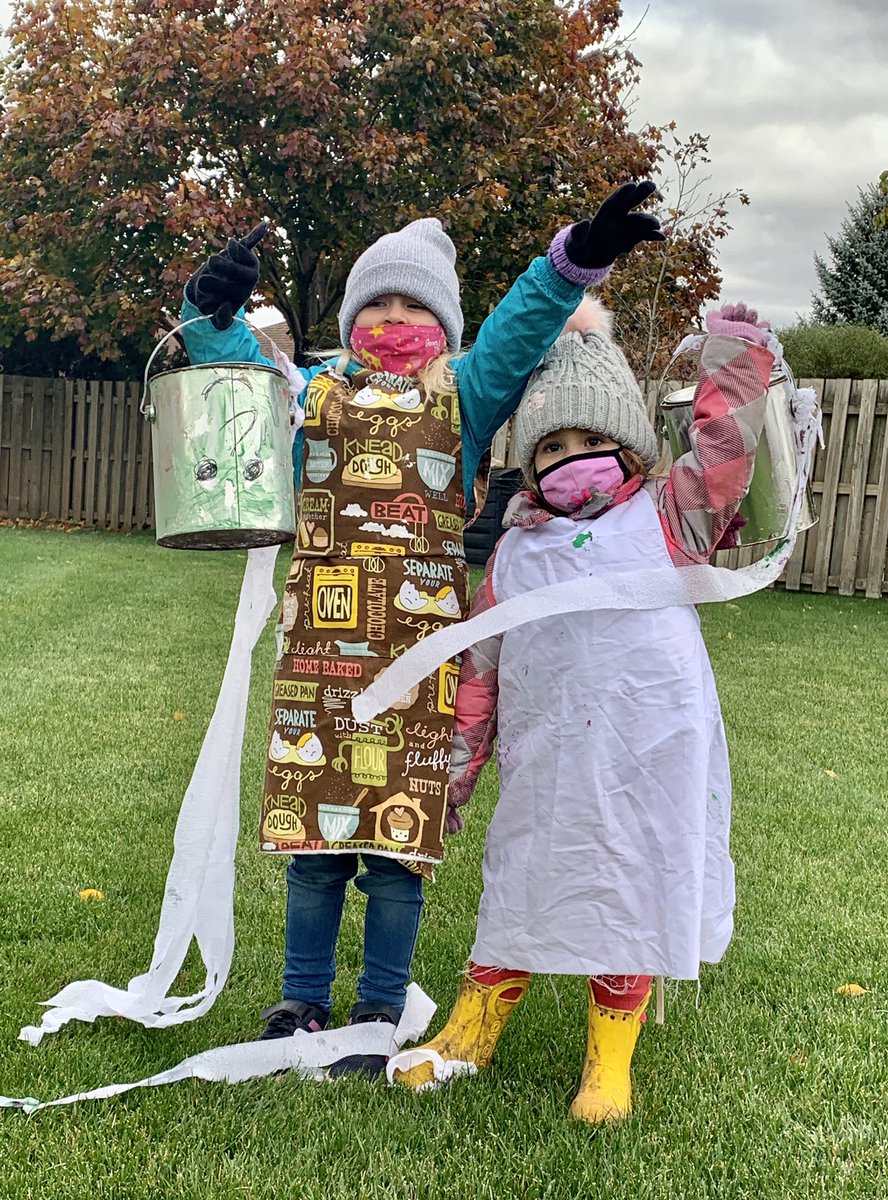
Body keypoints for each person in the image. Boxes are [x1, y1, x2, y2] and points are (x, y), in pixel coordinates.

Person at [176, 184, 664, 1074]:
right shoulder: (311, 397)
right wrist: (209, 312)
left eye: (413, 305)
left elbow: (520, 326)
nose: (394, 319)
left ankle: (380, 1006)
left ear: (444, 325)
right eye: (378, 303)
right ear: (350, 320)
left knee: (398, 856)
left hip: (419, 664)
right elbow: (236, 369)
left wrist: (576, 259)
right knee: (315, 850)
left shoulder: (464, 399)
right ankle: (301, 999)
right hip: (318, 666)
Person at [390, 299, 778, 1118]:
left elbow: (722, 459)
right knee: (521, 880)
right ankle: (471, 1033)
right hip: (548, 760)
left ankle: (610, 1061)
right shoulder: (513, 551)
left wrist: (736, 363)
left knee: (629, 889)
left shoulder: (668, 518)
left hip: (649, 753)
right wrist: (452, 779)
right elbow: (480, 674)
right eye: (551, 447)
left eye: (589, 441)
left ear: (627, 445)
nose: (571, 459)